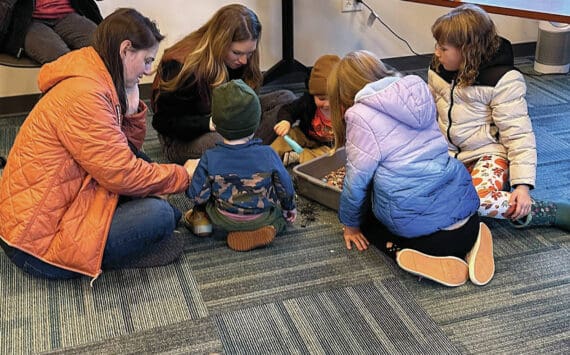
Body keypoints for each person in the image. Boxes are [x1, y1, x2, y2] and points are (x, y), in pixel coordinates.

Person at [0, 8, 195, 280]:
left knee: (154, 187)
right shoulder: (85, 96)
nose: (149, 71)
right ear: (126, 50)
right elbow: (122, 174)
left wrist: (132, 104)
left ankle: (133, 241)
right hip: (34, 248)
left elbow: (126, 150)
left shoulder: (94, 72)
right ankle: (120, 256)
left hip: (57, 207)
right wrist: (183, 175)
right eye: (147, 60)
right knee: (160, 214)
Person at [327, 50, 495, 287]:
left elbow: (356, 184)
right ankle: (475, 242)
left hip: (427, 242)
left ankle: (402, 253)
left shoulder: (359, 115)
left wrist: (351, 226)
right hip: (467, 220)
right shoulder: (416, 89)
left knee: (366, 219)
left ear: (342, 96)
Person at [428, 4, 569, 231]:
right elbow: (430, 113)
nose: (436, 53)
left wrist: (521, 186)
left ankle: (544, 210)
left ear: (466, 50)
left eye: (443, 48)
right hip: (449, 154)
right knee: (416, 195)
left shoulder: (503, 80)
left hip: (488, 154)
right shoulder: (437, 68)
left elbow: (519, 135)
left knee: (477, 201)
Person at [151, 3, 296, 165]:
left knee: (286, 98)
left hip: (227, 122)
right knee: (219, 141)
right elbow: (163, 122)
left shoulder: (243, 60)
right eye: (237, 53)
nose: (244, 60)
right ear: (219, 43)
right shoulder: (183, 65)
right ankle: (252, 154)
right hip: (184, 137)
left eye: (250, 53)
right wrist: (210, 123)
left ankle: (243, 154)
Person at [186, 79, 297, 252]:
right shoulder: (268, 154)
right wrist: (289, 207)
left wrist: (192, 194)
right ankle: (271, 228)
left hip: (223, 220)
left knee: (203, 212)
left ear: (215, 124)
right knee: (280, 217)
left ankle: (205, 227)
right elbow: (285, 186)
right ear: (256, 123)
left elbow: (198, 195)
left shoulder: (210, 157)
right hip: (261, 218)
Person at [271, 54, 340, 165]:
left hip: (329, 145)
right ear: (313, 94)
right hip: (305, 135)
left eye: (333, 99)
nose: (327, 104)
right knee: (286, 137)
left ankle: (299, 155)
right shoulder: (308, 101)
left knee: (332, 156)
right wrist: (285, 121)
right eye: (321, 98)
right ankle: (267, 157)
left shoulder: (346, 108)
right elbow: (289, 109)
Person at [0, 0, 103, 64]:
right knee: (61, 59)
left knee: (104, 46)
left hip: (68, 14)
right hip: (29, 21)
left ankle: (102, 95)